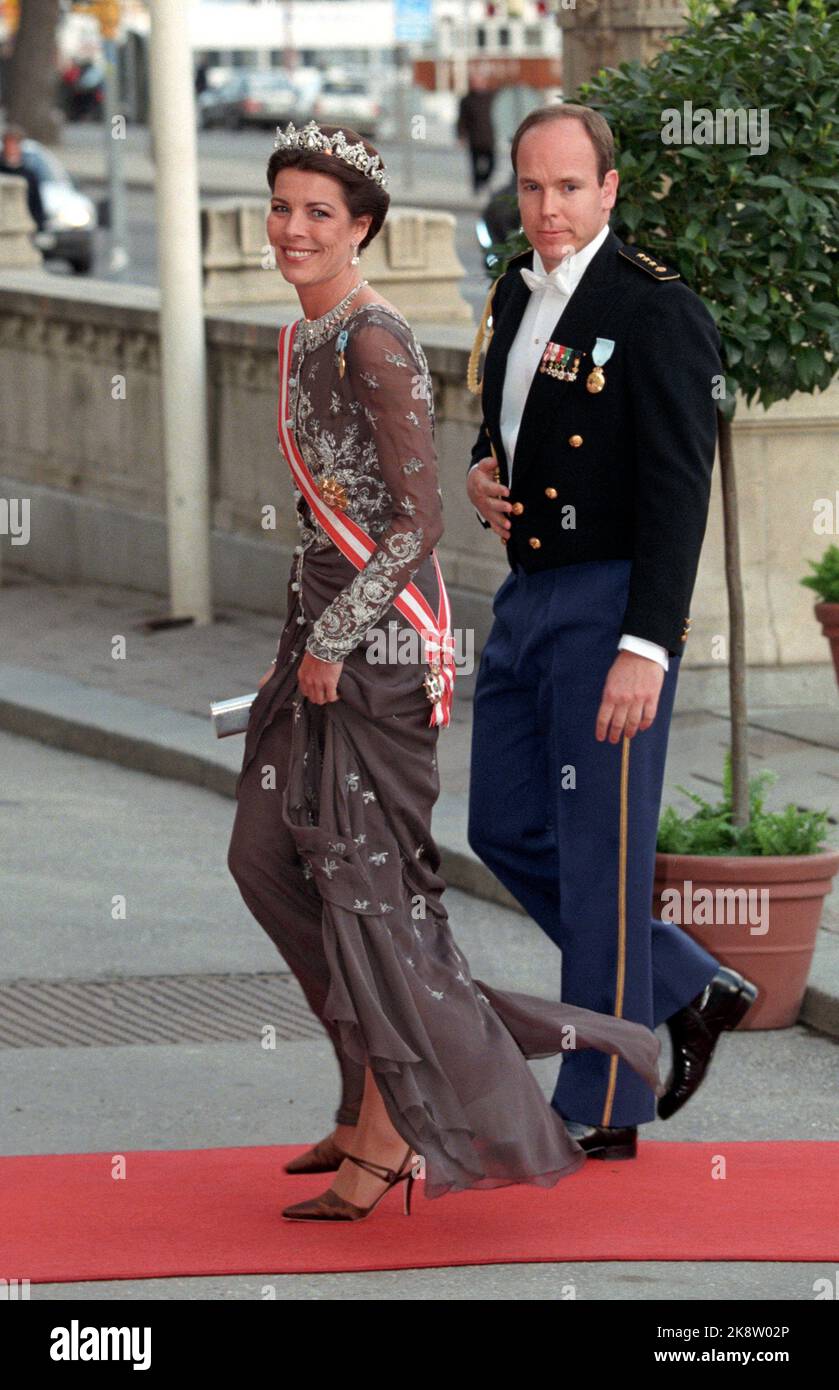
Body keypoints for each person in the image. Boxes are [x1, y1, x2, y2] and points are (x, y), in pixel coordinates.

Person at [227, 118, 667, 1225]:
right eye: (281, 207)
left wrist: (336, 639)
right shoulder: (312, 333)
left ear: (362, 227)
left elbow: (414, 526)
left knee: (374, 893)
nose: (292, 229)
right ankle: (363, 1075)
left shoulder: (373, 340)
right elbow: (456, 466)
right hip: (314, 626)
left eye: (318, 212)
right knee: (266, 855)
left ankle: (392, 1122)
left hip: (373, 646)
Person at [466, 103, 758, 1162]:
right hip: (527, 596)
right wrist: (479, 469)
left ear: (608, 191)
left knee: (598, 857)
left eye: (567, 188)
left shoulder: (653, 311)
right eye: (531, 187)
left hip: (608, 607)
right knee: (499, 824)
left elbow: (681, 490)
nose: (547, 209)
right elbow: (503, 418)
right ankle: (683, 978)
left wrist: (649, 645)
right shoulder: (514, 287)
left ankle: (603, 1097)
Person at [0, 124, 45, 232]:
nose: (11, 148)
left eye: (15, 144)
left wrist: (39, 227)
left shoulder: (28, 175)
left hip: (23, 226)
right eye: (8, 144)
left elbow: (36, 205)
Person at [456, 77, 496, 195]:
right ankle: (476, 187)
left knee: (492, 164)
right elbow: (462, 120)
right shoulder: (467, 100)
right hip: (474, 139)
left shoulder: (491, 98)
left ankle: (483, 181)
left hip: (489, 138)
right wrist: (461, 135)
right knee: (475, 165)